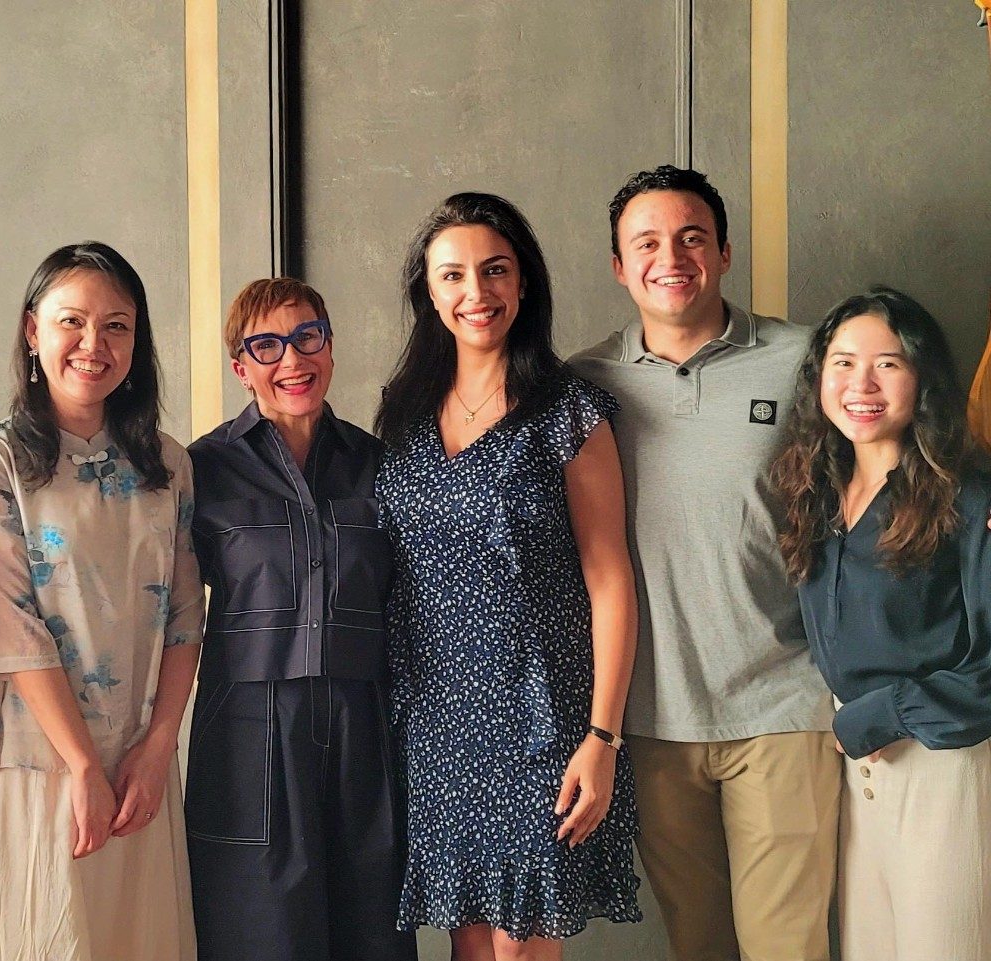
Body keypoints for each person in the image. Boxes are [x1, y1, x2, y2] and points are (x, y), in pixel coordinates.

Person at [569, 165, 839, 961]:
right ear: (620, 266)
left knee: (785, 946)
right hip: (651, 721)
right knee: (700, 945)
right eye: (646, 241)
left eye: (692, 237)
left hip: (784, 705)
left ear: (723, 251)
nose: (671, 256)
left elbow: (877, 484)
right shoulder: (584, 385)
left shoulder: (802, 359)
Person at [375, 192, 641, 960]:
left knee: (521, 945)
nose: (476, 292)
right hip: (435, 718)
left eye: (495, 271)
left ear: (524, 283)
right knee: (467, 940)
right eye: (453, 275)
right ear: (430, 293)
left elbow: (610, 579)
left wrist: (602, 736)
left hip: (541, 719)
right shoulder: (403, 413)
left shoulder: (569, 410)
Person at [0, 242, 202, 961]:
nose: (94, 344)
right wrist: (83, 766)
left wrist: (157, 747)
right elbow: (12, 627)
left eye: (117, 325)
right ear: (33, 330)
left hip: (137, 765)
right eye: (72, 322)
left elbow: (185, 617)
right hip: (35, 760)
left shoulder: (168, 463)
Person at [185, 277, 416, 961]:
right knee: (261, 927)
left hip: (364, 722)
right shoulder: (203, 470)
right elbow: (158, 606)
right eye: (267, 344)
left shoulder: (378, 463)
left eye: (307, 335)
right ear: (241, 366)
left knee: (372, 922)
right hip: (251, 729)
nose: (292, 359)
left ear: (330, 346)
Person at [772, 287, 991, 961]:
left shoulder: (969, 495)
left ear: (922, 377)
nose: (861, 383)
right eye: (842, 362)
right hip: (853, 775)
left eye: (888, 364)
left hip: (941, 763)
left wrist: (884, 712)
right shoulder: (814, 489)